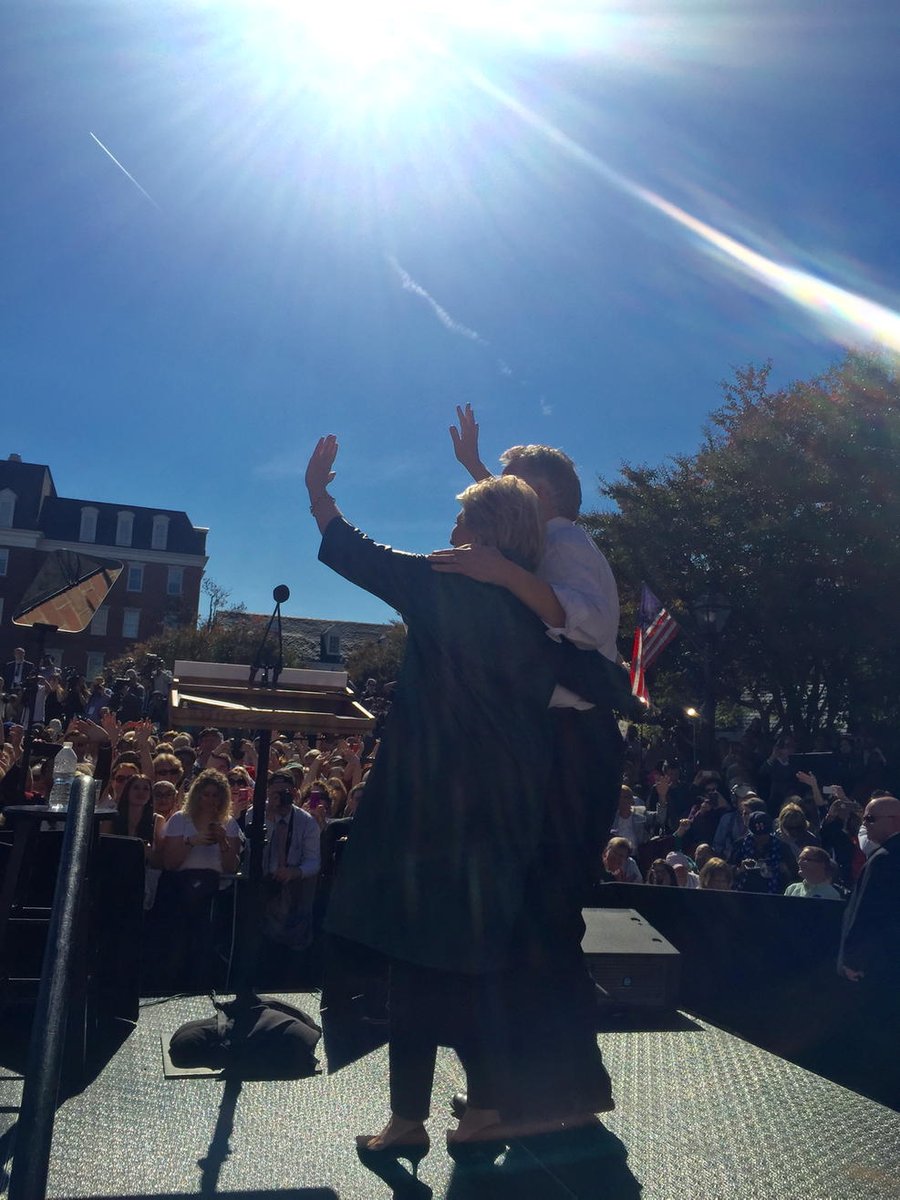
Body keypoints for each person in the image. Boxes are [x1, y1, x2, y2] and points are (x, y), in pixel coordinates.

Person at [306, 435, 629, 1162]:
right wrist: (490, 510)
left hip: (442, 805)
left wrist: (319, 496)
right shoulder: (534, 614)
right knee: (490, 952)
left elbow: (360, 554)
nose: (450, 530)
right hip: (507, 807)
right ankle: (492, 1099)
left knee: (437, 952)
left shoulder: (485, 574)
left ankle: (454, 1110)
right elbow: (573, 635)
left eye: (462, 521)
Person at [836, 794, 900, 1107]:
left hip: (879, 967)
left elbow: (864, 912)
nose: (864, 824)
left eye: (871, 819)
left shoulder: (884, 859)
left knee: (878, 1034)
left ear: (894, 821)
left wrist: (851, 958)